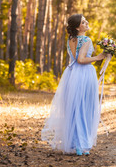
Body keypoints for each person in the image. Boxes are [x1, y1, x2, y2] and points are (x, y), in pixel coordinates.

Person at [41, 14, 106, 156]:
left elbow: (75, 58)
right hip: (84, 74)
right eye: (83, 22)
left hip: (72, 74)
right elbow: (81, 59)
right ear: (78, 27)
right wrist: (99, 57)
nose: (87, 22)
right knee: (84, 108)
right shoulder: (86, 40)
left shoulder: (70, 39)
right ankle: (81, 144)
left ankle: (74, 143)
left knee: (74, 109)